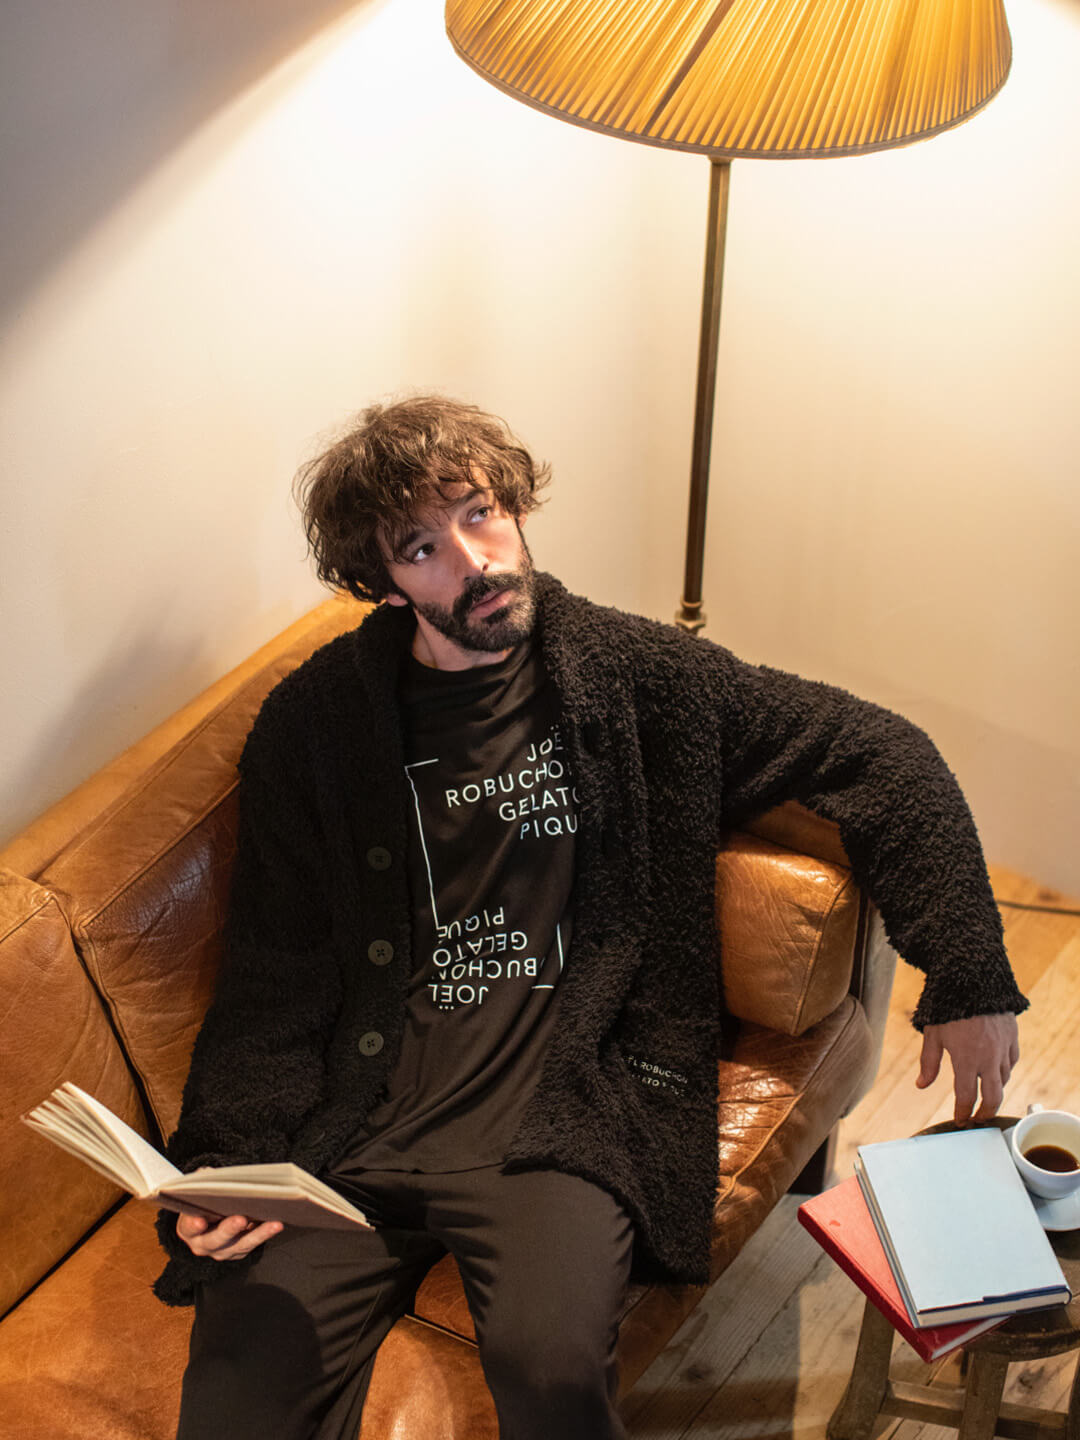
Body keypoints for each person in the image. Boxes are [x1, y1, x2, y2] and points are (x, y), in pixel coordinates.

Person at [156, 395, 1026, 1440]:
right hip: (353, 1132)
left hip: (558, 1118)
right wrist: (229, 1158)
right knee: (235, 1401)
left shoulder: (643, 679)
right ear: (382, 585)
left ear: (517, 508)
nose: (473, 561)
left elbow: (880, 753)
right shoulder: (314, 727)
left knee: (554, 1372)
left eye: (480, 513)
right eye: (422, 549)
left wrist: (965, 975)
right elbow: (276, 970)